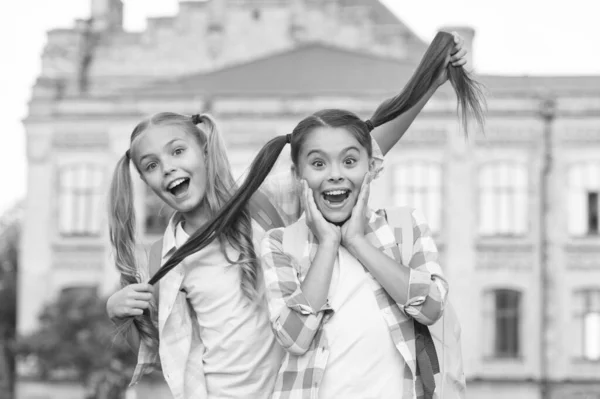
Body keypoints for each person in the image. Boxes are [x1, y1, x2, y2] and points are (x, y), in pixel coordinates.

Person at [105, 31, 472, 399]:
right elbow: (166, 346)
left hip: (295, 385)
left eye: (177, 152)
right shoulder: (162, 258)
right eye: (151, 166)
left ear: (203, 147)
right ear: (144, 180)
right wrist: (117, 308)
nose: (167, 168)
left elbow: (365, 145)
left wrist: (428, 85)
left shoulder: (261, 203)